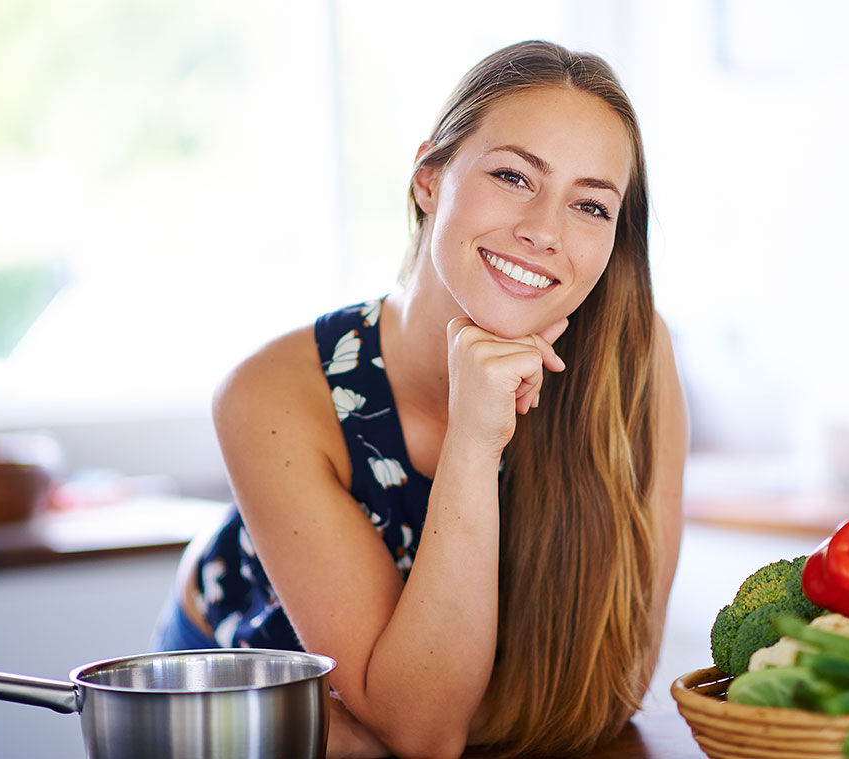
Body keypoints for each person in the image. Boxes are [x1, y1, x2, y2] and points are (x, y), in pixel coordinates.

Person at [151, 39, 688, 759]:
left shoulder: (632, 359)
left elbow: (608, 685)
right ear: (429, 179)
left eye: (590, 204)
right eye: (513, 176)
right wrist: (474, 437)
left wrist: (367, 726)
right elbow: (427, 731)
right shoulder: (272, 393)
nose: (544, 231)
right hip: (222, 731)